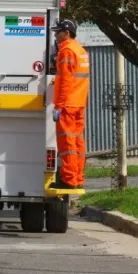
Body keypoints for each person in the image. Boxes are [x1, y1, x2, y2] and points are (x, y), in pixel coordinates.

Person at [50, 19, 90, 189]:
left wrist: (58, 106)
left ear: (66, 33)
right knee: (78, 143)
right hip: (79, 103)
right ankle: (78, 178)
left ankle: (68, 179)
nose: (55, 34)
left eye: (58, 32)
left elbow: (66, 81)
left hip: (67, 105)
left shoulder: (66, 51)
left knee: (67, 144)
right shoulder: (81, 51)